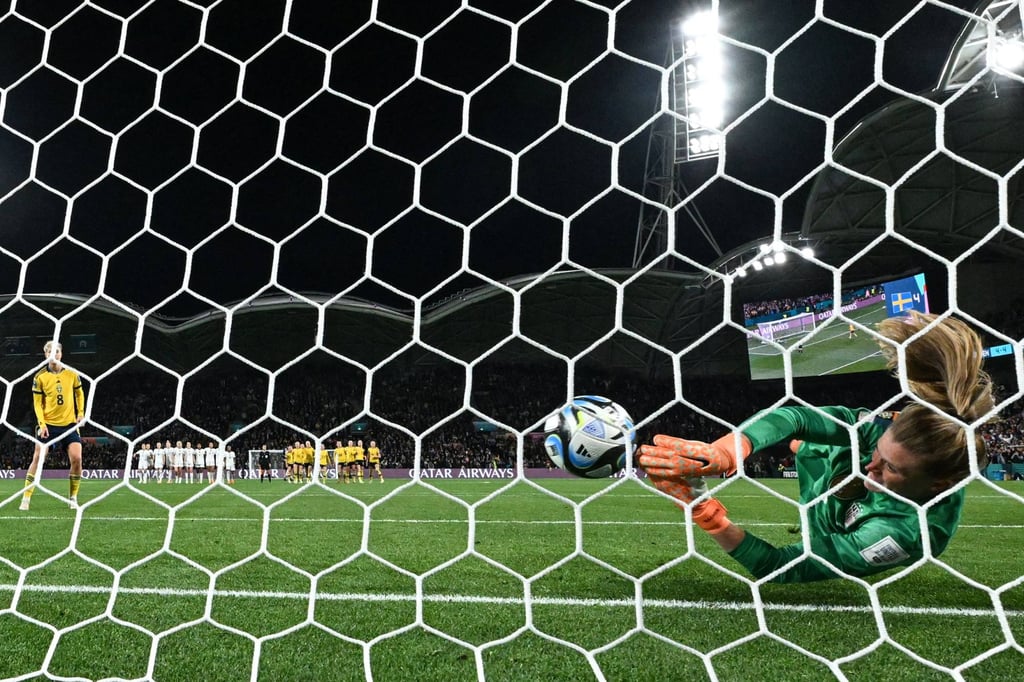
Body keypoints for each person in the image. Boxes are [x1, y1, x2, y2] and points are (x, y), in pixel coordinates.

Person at [639, 311, 995, 583]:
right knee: (811, 445)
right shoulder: (881, 430)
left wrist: (704, 511)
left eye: (892, 468)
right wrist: (726, 452)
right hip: (827, 464)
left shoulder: (903, 534)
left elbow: (777, 567)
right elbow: (795, 417)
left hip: (830, 521)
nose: (872, 467)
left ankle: (806, 451)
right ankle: (807, 450)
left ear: (938, 485)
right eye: (878, 455)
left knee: (823, 467)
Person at [20, 341, 87, 510]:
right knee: (38, 458)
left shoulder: (72, 374)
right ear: (46, 355)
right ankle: (26, 498)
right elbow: (37, 404)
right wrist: (41, 424)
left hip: (70, 425)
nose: (54, 354)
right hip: (48, 426)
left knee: (77, 459)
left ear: (61, 354)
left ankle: (73, 497)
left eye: (56, 351)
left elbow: (79, 393)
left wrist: (80, 413)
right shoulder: (40, 377)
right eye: (50, 351)